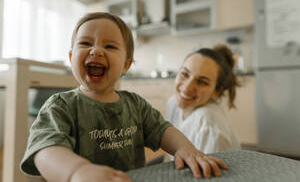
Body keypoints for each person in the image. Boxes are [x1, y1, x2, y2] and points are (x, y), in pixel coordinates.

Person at [20, 12, 228, 182]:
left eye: (109, 46)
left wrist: (186, 148)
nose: (96, 50)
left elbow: (164, 130)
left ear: (126, 65)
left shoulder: (135, 104)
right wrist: (77, 172)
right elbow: (45, 150)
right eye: (85, 43)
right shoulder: (60, 106)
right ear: (71, 57)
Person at [166, 45, 241, 160]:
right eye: (185, 74)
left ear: (216, 91)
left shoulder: (209, 125)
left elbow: (211, 175)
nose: (187, 88)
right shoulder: (173, 103)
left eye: (202, 82)